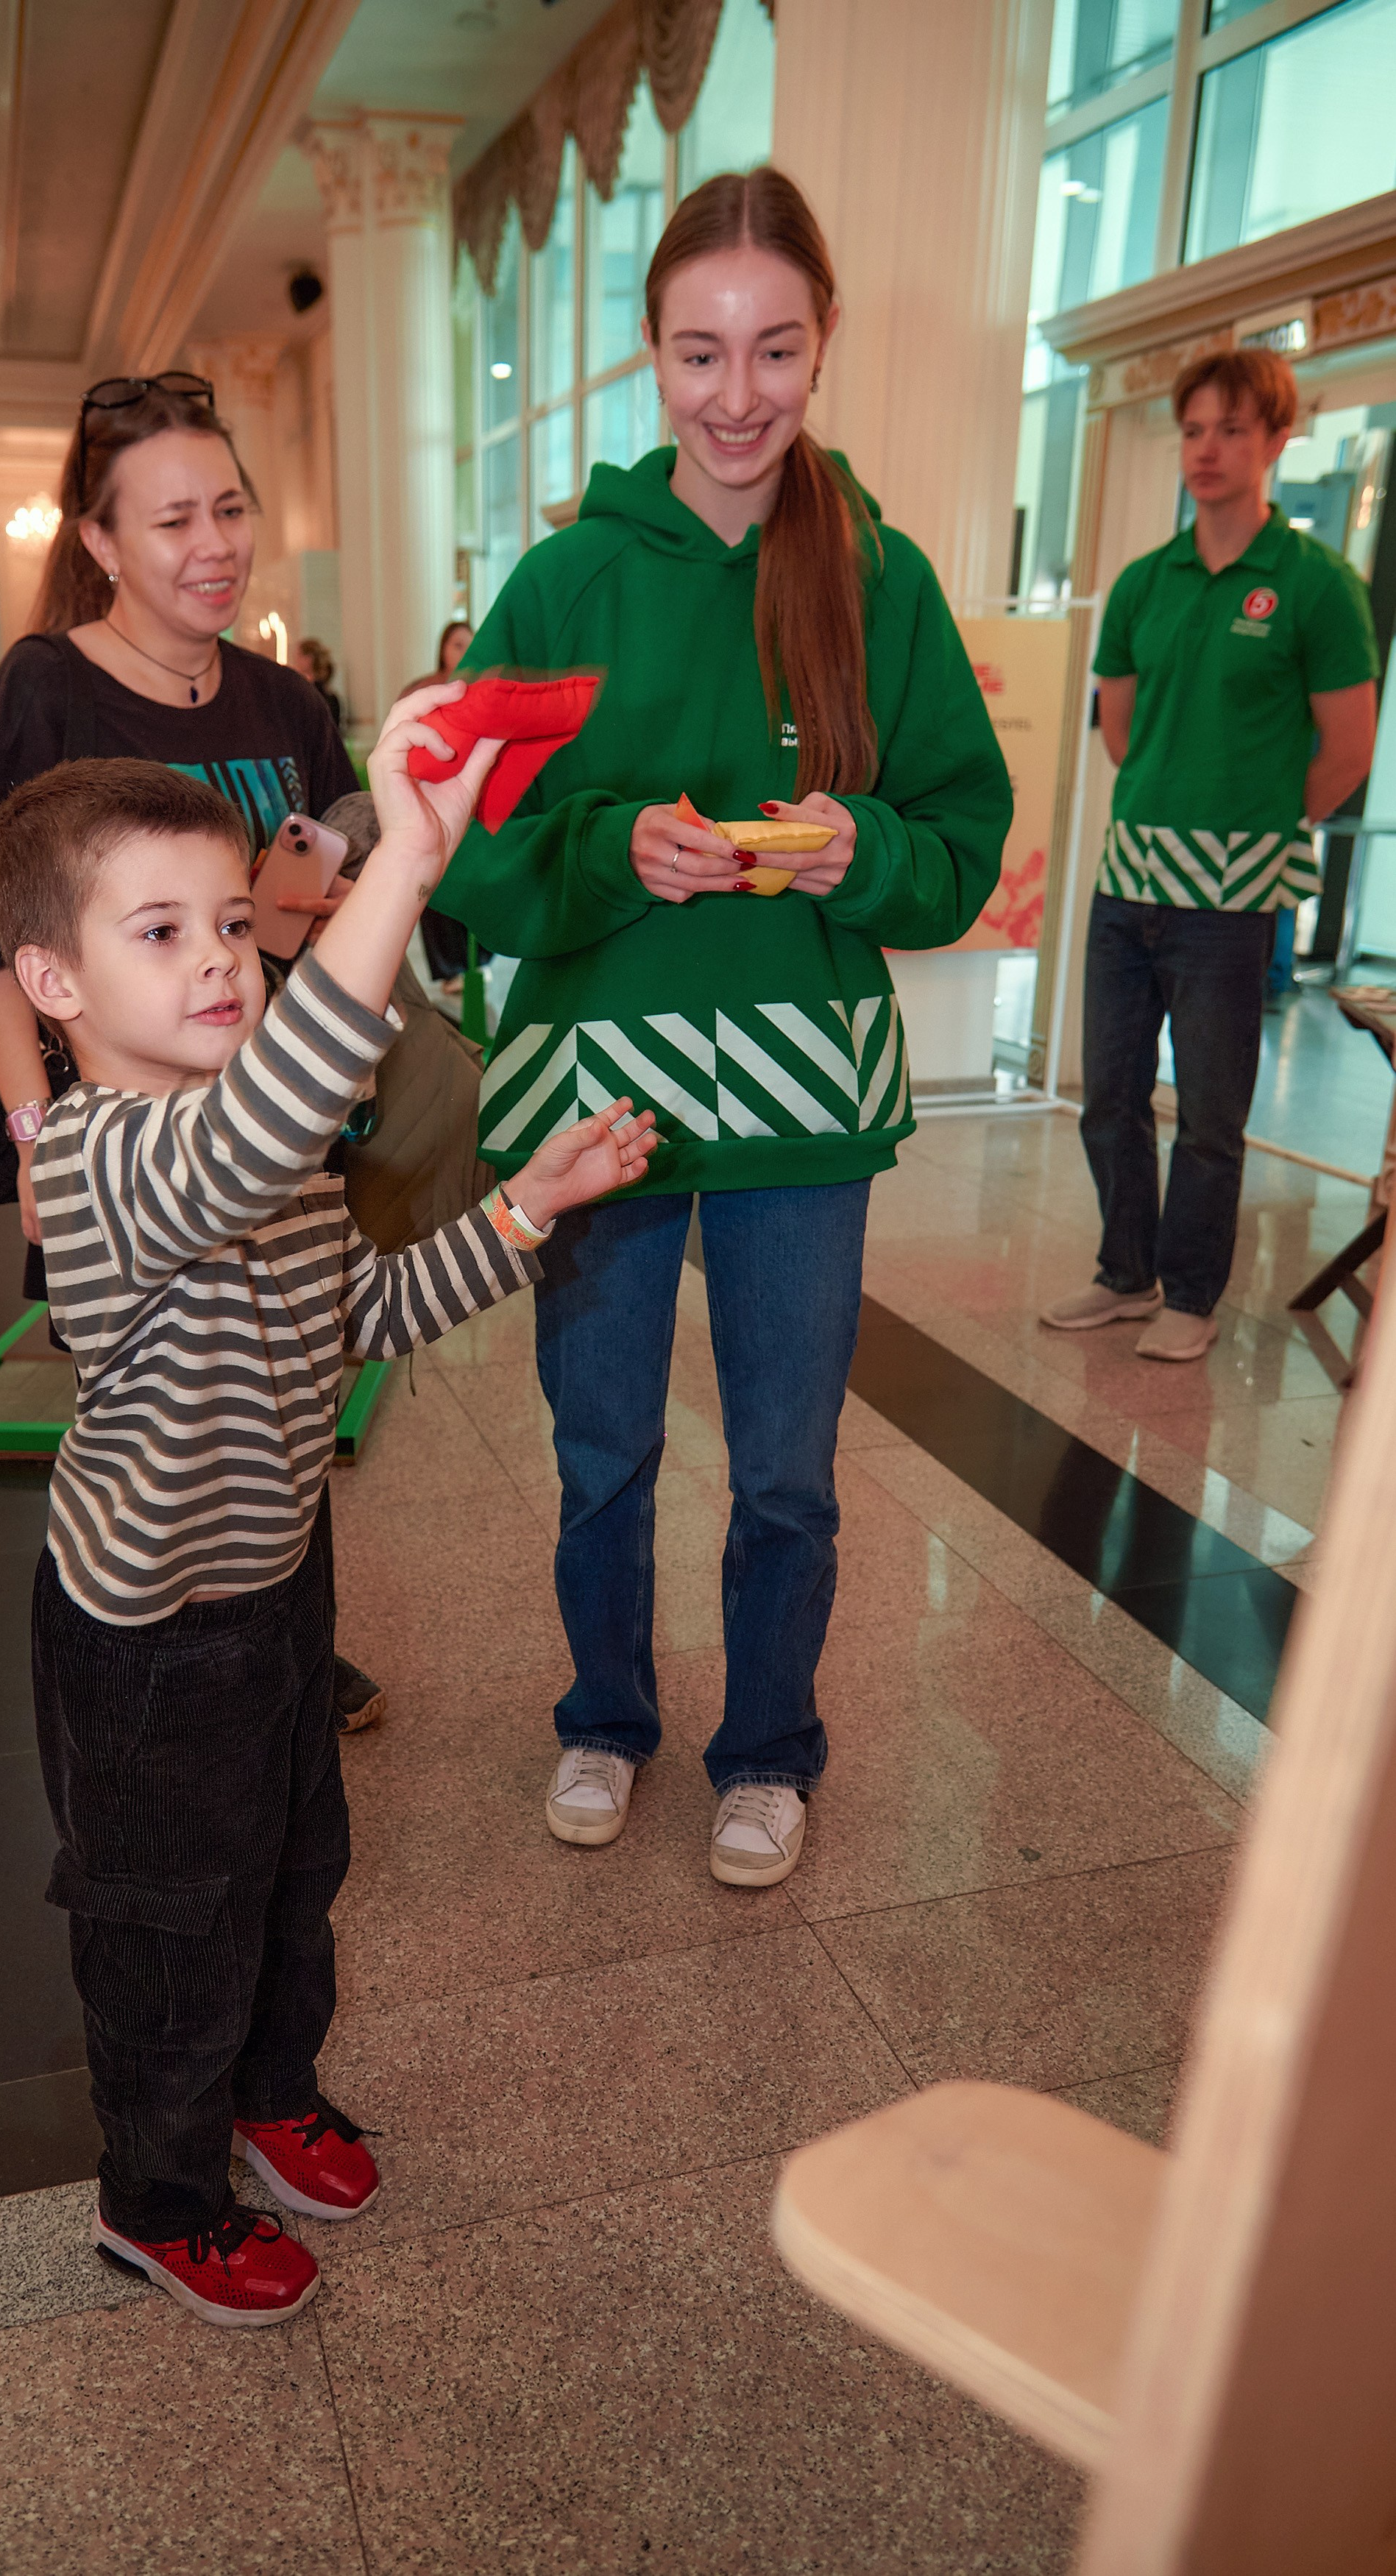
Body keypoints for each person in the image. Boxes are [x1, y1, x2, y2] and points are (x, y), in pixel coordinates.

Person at [0, 734, 656, 2326]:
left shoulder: (257, 1150)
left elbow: (365, 1311)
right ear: (49, 984)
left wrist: (525, 1206)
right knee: (169, 1924)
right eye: (158, 933)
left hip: (275, 1584)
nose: (217, 957)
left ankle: (269, 2089)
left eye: (230, 919)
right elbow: (253, 1135)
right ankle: (157, 2194)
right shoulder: (101, 1160)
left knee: (291, 1866)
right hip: (144, 1637)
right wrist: (404, 856)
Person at [433, 169, 1010, 1888]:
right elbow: (472, 855)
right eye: (700, 352)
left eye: (773, 349)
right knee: (600, 1447)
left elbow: (958, 848)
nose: (737, 394)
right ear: (648, 354)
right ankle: (604, 1717)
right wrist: (612, 848)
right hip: (593, 1097)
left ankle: (768, 1750)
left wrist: (862, 846)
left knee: (786, 1473)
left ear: (823, 341)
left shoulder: (881, 577)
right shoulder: (561, 583)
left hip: (798, 1111)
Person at [0, 371, 383, 1739]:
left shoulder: (283, 700)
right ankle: (163, 1653)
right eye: (173, 518)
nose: (213, 545)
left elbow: (315, 907)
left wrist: (316, 897)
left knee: (296, 1361)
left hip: (277, 1105)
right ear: (98, 545)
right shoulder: (45, 687)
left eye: (231, 509)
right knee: (158, 1405)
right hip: (122, 1146)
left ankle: (283, 1631)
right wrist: (31, 1134)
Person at [1043, 348, 1379, 1363]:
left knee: (1210, 1114)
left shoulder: (1318, 587)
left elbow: (1349, 751)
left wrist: (1255, 832)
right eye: (1194, 430)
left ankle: (1191, 1293)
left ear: (1279, 441)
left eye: (1233, 429)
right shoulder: (1146, 582)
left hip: (1230, 904)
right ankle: (1126, 1274)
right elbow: (1119, 731)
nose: (1208, 450)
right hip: (1127, 882)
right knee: (1108, 1097)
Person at [403, 623, 481, 988]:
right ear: (443, 648)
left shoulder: (482, 691)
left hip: (473, 804)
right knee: (435, 883)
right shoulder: (422, 691)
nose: (463, 651)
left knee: (472, 880)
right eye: (457, 644)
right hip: (428, 797)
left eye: (471, 643)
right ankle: (448, 969)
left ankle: (474, 961)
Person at [294, 636, 342, 729]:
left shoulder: (308, 693)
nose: (296, 660)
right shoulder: (330, 695)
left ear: (309, 659)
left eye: (299, 655)